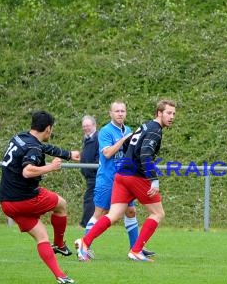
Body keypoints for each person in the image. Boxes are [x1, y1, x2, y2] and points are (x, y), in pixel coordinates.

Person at [75, 99, 176, 262]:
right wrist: (154, 180)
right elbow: (145, 154)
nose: (172, 117)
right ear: (159, 113)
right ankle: (136, 250)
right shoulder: (155, 130)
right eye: (168, 113)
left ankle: (84, 242)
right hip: (133, 176)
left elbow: (130, 142)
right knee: (157, 213)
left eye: (173, 114)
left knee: (114, 215)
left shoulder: (145, 125)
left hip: (121, 175)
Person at [0, 111, 80, 284]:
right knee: (61, 204)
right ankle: (59, 244)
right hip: (26, 198)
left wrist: (68, 155)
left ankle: (61, 276)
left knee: (42, 237)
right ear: (48, 129)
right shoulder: (33, 147)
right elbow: (27, 171)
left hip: (7, 202)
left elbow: (44, 148)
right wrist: (51, 167)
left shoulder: (21, 137)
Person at [83, 100, 154, 257]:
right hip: (108, 179)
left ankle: (135, 248)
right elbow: (107, 153)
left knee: (130, 211)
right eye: (117, 111)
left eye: (123, 111)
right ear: (110, 113)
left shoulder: (127, 129)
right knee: (100, 212)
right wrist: (123, 140)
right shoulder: (106, 131)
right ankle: (84, 245)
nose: (120, 114)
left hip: (124, 179)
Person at [79, 115, 98, 228]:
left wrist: (90, 169)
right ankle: (91, 223)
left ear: (94, 125)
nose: (86, 128)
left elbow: (99, 156)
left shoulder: (97, 138)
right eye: (84, 126)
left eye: (88, 125)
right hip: (90, 175)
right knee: (92, 199)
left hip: (95, 175)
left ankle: (85, 224)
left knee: (89, 199)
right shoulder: (87, 138)